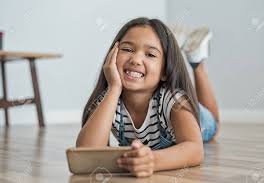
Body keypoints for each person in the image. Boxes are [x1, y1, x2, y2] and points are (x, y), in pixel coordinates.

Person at [76, 17, 219, 177]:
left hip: (192, 116)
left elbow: (195, 149)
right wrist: (114, 88)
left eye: (150, 54)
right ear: (112, 56)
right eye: (127, 49)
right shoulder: (108, 100)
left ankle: (196, 61)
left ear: (165, 71)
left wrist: (152, 160)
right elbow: (86, 153)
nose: (135, 60)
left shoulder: (174, 101)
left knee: (212, 123)